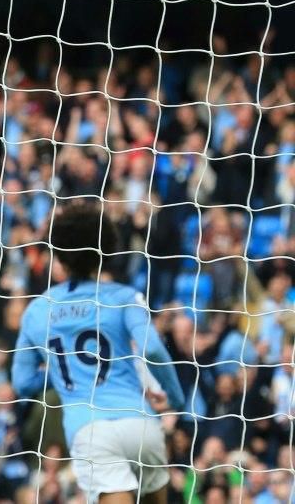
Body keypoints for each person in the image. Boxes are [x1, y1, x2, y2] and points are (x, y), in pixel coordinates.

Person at [11, 202, 184, 504]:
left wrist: (67, 374)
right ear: (105, 252)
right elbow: (153, 349)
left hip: (90, 430)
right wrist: (176, 398)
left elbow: (22, 383)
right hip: (141, 423)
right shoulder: (124, 296)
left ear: (59, 257)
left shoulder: (38, 310)